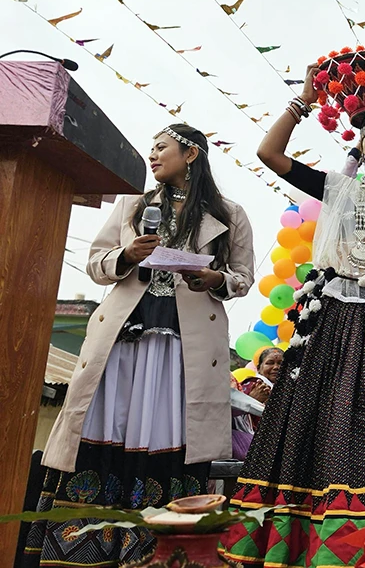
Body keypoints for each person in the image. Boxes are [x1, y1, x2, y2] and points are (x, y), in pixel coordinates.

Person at [221, 48, 365, 568]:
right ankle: (307, 547)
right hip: (330, 321)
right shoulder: (337, 188)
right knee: (319, 419)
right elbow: (270, 154)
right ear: (362, 142)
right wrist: (303, 100)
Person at [27, 124, 254, 567]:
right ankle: (83, 552)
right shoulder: (133, 204)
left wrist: (215, 279)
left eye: (161, 148)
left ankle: (156, 551)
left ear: (191, 155)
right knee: (103, 432)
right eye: (151, 150)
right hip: (120, 345)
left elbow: (243, 277)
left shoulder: (230, 213)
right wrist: (127, 255)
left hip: (183, 351)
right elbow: (96, 263)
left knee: (172, 439)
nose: (152, 157)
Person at [232, 348, 284, 460]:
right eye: (270, 363)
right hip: (252, 444)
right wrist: (252, 400)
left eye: (281, 363)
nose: (276, 367)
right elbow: (235, 415)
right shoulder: (254, 384)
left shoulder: (289, 390)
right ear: (259, 368)